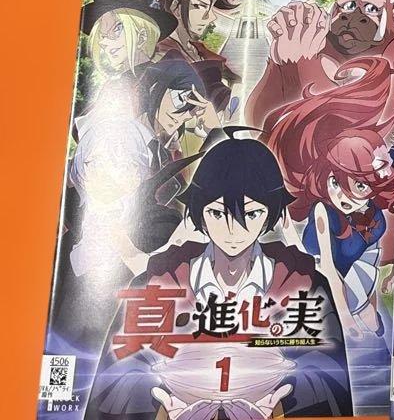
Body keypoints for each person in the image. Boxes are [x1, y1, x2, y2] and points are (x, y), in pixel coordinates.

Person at [85, 138, 352, 420]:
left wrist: (277, 406)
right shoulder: (159, 280)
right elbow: (118, 377)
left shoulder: (304, 282)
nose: (233, 229)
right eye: (216, 212)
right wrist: (166, 407)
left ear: (269, 215)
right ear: (199, 211)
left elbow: (327, 377)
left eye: (252, 213)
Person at [266, 56, 394, 336]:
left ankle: (371, 323)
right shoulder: (323, 210)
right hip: (320, 264)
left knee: (371, 320)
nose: (341, 195)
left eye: (359, 186)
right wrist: (345, 319)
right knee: (362, 319)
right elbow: (327, 266)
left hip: (359, 260)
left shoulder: (373, 200)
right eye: (334, 182)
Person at [247, 0, 394, 130]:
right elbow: (256, 126)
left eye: (371, 8)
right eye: (349, 5)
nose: (350, 17)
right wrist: (281, 66)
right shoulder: (318, 42)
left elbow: (353, 127)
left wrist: (304, 66)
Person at [157, 0, 241, 115]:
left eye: (210, 7)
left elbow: (234, 81)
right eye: (199, 6)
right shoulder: (163, 54)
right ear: (176, 8)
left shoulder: (197, 48)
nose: (210, 17)